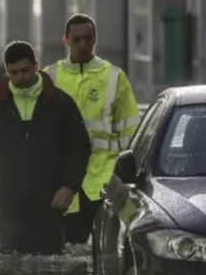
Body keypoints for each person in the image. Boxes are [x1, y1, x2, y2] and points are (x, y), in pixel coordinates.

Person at [0, 41, 91, 255]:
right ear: (7, 72)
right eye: (13, 72)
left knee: (49, 268)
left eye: (25, 71)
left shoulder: (60, 103)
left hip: (50, 202)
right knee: (8, 265)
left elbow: (80, 148)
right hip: (8, 202)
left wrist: (69, 186)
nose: (20, 77)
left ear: (36, 66)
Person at [44, 14, 140, 245]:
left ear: (95, 39)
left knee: (103, 249)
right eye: (76, 40)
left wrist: (130, 176)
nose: (83, 45)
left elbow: (131, 133)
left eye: (88, 39)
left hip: (103, 179)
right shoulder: (49, 77)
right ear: (65, 40)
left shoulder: (114, 77)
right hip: (62, 180)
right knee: (65, 247)